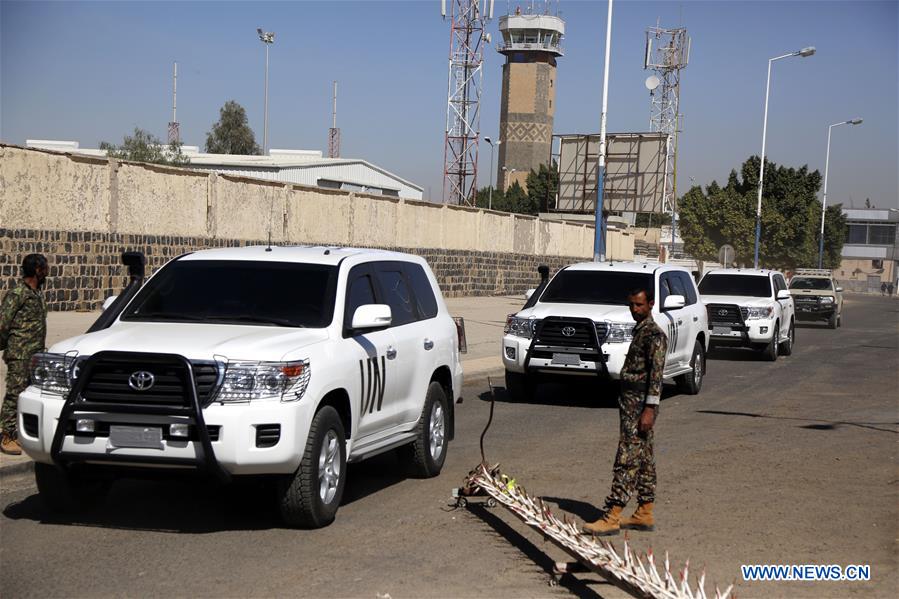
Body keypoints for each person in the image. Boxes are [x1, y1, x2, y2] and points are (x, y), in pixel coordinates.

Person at [582, 286, 667, 536]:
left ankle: (613, 514)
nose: (634, 309)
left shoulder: (654, 335)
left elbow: (657, 377)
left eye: (639, 305)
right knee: (644, 458)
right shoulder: (640, 331)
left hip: (640, 405)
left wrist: (649, 409)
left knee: (627, 457)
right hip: (631, 402)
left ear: (650, 304)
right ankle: (644, 510)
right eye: (631, 305)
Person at [0, 254, 49, 455]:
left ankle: (19, 432)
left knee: (27, 394)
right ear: (37, 270)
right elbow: (3, 322)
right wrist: (5, 347)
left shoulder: (37, 293)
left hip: (35, 353)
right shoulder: (18, 293)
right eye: (45, 267)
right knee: (14, 393)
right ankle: (7, 435)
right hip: (19, 353)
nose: (47, 271)